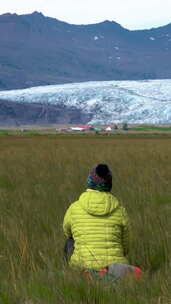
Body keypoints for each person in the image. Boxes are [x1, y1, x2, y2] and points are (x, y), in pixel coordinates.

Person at [63, 164, 142, 281]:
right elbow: (126, 246)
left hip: (82, 265)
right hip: (114, 266)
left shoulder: (74, 208)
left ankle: (78, 273)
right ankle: (105, 273)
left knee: (69, 240)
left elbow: (67, 231)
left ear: (90, 182)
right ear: (109, 184)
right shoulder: (120, 211)